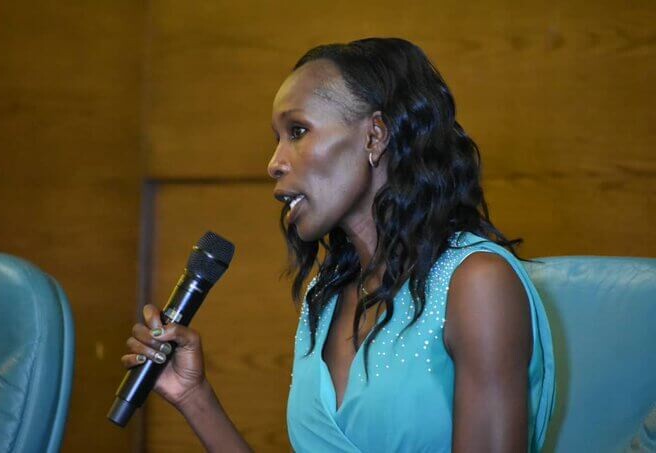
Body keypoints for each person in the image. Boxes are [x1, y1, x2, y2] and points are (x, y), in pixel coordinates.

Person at [122, 37, 555, 452]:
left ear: (375, 136)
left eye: (297, 131)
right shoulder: (324, 298)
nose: (274, 163)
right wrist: (193, 395)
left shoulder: (476, 283)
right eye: (277, 139)